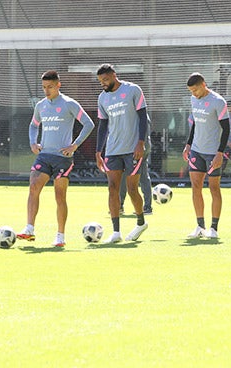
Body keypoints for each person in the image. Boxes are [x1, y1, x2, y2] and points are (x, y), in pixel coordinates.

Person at [17, 70, 95, 247]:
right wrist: (33, 143)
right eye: (44, 87)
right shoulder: (41, 106)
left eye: (50, 87)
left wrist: (74, 145)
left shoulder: (69, 104)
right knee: (33, 187)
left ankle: (60, 236)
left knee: (59, 196)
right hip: (44, 156)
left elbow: (89, 124)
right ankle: (29, 229)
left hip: (63, 158)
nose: (46, 91)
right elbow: (33, 125)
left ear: (58, 85)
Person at [95, 64, 150, 244]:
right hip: (113, 150)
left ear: (114, 75)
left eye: (106, 79)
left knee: (133, 189)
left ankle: (141, 222)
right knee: (113, 189)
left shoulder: (133, 90)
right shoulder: (102, 98)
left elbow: (143, 117)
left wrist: (141, 142)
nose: (103, 83)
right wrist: (98, 151)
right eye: (100, 81)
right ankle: (116, 232)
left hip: (133, 149)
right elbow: (103, 126)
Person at [182, 73, 230, 239]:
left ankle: (214, 228)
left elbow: (226, 129)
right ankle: (200, 226)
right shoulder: (194, 99)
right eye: (191, 91)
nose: (193, 94)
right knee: (196, 186)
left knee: (214, 188)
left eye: (195, 90)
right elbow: (195, 122)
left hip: (213, 152)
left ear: (204, 84)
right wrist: (188, 144)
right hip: (196, 150)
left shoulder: (218, 101)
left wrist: (220, 153)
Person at [118, 115, 153, 216]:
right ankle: (121, 205)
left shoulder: (140, 114)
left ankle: (146, 207)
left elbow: (143, 131)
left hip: (137, 149)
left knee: (138, 176)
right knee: (142, 176)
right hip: (137, 147)